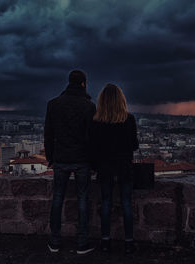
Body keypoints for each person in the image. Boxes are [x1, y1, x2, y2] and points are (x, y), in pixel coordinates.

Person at [44, 70, 96, 254]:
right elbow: (92, 137)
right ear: (84, 83)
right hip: (82, 158)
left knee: (57, 197)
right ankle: (82, 242)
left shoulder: (53, 104)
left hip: (61, 157)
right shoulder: (89, 106)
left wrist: (50, 156)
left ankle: (54, 241)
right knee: (83, 198)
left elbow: (48, 134)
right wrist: (93, 161)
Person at [90, 83, 139, 254]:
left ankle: (105, 241)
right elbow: (134, 145)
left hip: (105, 167)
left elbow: (93, 148)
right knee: (126, 204)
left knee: (106, 203)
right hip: (124, 166)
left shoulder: (96, 122)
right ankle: (128, 242)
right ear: (121, 100)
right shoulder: (129, 119)